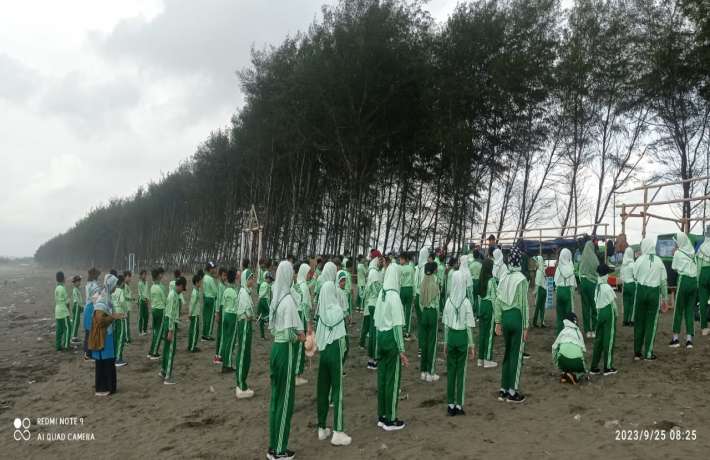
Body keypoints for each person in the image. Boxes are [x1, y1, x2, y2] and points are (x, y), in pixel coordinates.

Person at [267, 261, 307, 460]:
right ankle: (280, 449)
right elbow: (291, 332)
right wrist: (302, 337)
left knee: (275, 398)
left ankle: (273, 445)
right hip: (286, 351)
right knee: (285, 400)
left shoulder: (276, 298)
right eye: (292, 273)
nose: (293, 276)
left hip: (276, 348)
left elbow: (273, 328)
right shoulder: (289, 300)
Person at [315, 279, 352, 446]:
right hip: (335, 350)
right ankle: (338, 430)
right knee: (337, 390)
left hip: (323, 352)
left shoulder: (321, 312)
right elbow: (343, 337)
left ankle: (321, 428)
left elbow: (318, 336)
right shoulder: (337, 310)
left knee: (322, 389)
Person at [374, 263, 409, 431]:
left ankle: (381, 415)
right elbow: (397, 326)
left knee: (382, 378)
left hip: (380, 337)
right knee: (392, 380)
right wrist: (402, 350)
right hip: (391, 340)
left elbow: (376, 321)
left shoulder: (382, 293)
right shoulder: (394, 296)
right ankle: (391, 419)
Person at [494, 247, 529, 403]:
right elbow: (524, 304)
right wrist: (526, 325)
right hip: (516, 317)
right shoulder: (521, 279)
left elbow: (498, 301)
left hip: (505, 317)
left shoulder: (503, 277)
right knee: (516, 354)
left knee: (507, 353)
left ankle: (503, 388)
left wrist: (498, 321)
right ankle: (512, 391)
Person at [442, 270, 476, 416]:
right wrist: (472, 345)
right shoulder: (466, 302)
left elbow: (445, 326)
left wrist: (445, 343)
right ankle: (459, 405)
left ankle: (450, 404)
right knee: (461, 373)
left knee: (451, 372)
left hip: (451, 338)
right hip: (462, 338)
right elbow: (469, 326)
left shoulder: (448, 302)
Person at [632, 238, 668, 360]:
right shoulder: (659, 261)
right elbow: (663, 282)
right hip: (654, 292)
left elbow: (634, 276)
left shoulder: (639, 260)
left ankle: (637, 352)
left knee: (639, 322)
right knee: (651, 324)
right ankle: (648, 353)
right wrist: (665, 298)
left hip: (641, 291)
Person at [88, 274, 124, 396]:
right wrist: (113, 317)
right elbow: (100, 320)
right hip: (103, 336)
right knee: (106, 360)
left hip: (104, 334)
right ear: (110, 285)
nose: (116, 287)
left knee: (104, 360)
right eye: (114, 285)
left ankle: (104, 387)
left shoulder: (106, 296)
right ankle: (105, 388)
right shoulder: (102, 299)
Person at [670, 232, 698, 349]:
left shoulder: (677, 253)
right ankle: (689, 340)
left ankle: (675, 339)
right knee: (689, 311)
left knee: (678, 310)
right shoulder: (692, 253)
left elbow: (674, 268)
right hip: (693, 282)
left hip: (684, 281)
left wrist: (674, 254)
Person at [590, 263, 618, 375]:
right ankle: (608, 367)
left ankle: (594, 367)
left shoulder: (597, 287)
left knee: (598, 340)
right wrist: (616, 315)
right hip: (608, 312)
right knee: (609, 340)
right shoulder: (607, 287)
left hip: (599, 313)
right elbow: (613, 304)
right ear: (605, 274)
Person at [160, 275, 185, 385]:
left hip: (167, 323)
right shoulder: (173, 296)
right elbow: (170, 314)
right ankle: (168, 377)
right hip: (170, 324)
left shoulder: (172, 293)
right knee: (170, 351)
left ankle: (163, 370)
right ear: (180, 286)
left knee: (166, 349)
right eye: (182, 289)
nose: (182, 292)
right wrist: (171, 330)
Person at [235, 269, 256, 399]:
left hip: (247, 325)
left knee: (246, 354)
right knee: (243, 354)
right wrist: (250, 317)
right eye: (250, 278)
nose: (252, 280)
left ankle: (242, 382)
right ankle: (241, 385)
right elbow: (248, 314)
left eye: (253, 278)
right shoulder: (243, 293)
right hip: (244, 325)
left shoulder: (247, 292)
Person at [551, 312, 587, 384]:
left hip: (562, 360)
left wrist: (556, 363)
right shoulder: (578, 333)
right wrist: (585, 369)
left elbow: (554, 347)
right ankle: (575, 376)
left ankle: (564, 373)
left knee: (561, 353)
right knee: (582, 371)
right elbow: (583, 350)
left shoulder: (563, 332)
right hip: (577, 362)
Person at [418, 261, 440, 381]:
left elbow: (420, 301)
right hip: (432, 313)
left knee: (424, 344)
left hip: (424, 313)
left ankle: (423, 371)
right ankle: (430, 372)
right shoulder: (435, 281)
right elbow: (437, 302)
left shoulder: (423, 282)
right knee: (432, 343)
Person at [292, 264, 312, 386]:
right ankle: (297, 374)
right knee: (300, 346)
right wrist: (309, 323)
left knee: (296, 345)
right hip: (301, 317)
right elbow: (305, 306)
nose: (310, 275)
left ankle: (295, 372)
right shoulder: (303, 286)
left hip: (294, 316)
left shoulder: (296, 284)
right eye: (309, 272)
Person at [477, 259, 498, 368]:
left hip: (482, 307)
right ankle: (487, 359)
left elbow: (479, 297)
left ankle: (480, 359)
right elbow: (495, 298)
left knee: (482, 334)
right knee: (489, 334)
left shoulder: (481, 280)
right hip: (489, 306)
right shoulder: (492, 280)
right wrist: (498, 315)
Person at [363, 257, 383, 370]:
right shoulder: (375, 273)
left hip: (370, 304)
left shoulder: (371, 272)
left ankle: (370, 359)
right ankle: (375, 359)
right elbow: (377, 289)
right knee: (375, 332)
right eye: (379, 261)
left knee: (371, 331)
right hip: (375, 304)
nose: (381, 263)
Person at [219, 269, 239, 373]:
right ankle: (228, 365)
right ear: (235, 278)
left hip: (225, 315)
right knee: (231, 342)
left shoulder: (226, 290)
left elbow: (222, 304)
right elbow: (237, 306)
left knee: (226, 340)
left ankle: (224, 363)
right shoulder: (235, 292)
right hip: (232, 316)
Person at [578, 241, 599, 338]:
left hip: (583, 282)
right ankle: (594, 329)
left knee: (585, 308)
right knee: (594, 307)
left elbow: (579, 270)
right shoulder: (594, 258)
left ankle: (587, 331)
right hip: (592, 284)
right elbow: (597, 270)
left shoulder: (582, 257)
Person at [554, 249, 577, 335]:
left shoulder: (558, 267)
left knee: (560, 315)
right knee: (569, 315)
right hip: (567, 291)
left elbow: (555, 281)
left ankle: (559, 334)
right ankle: (568, 334)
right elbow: (573, 284)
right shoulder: (570, 267)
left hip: (559, 291)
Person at [147, 268, 166, 360]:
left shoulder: (152, 287)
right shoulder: (159, 288)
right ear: (159, 275)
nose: (162, 275)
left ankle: (151, 351)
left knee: (155, 331)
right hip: (160, 310)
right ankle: (154, 353)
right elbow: (165, 300)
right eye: (161, 274)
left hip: (154, 310)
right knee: (159, 332)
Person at [83, 268, 100, 360]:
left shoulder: (88, 284)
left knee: (88, 332)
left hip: (87, 308)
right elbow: (96, 299)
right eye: (98, 275)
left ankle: (87, 352)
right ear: (95, 275)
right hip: (91, 309)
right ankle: (88, 354)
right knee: (91, 332)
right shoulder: (94, 285)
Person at [111, 276, 128, 367]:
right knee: (121, 336)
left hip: (113, 314)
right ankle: (118, 359)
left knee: (114, 336)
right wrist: (125, 311)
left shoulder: (112, 291)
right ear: (121, 283)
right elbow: (122, 301)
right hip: (120, 315)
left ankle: (113, 356)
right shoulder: (120, 291)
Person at [54, 271, 71, 351]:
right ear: (63, 278)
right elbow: (67, 302)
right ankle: (66, 345)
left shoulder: (56, 288)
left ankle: (58, 346)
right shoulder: (63, 288)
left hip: (57, 311)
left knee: (59, 329)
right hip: (63, 311)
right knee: (68, 328)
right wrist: (69, 310)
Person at [620, 247, 636, 326]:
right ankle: (631, 320)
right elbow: (635, 275)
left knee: (625, 303)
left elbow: (621, 276)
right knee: (632, 303)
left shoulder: (623, 264)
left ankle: (625, 321)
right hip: (632, 284)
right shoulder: (633, 264)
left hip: (625, 285)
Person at [697, 236, 710, 336]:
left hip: (703, 273)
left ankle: (704, 328)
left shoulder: (701, 247)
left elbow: (698, 266)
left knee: (703, 302)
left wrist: (697, 280)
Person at [202, 262, 219, 341]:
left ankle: (204, 334)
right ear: (210, 269)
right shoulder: (211, 279)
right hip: (211, 299)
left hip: (205, 298)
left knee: (206, 317)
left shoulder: (204, 277)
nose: (215, 270)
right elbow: (215, 291)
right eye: (213, 268)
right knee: (211, 317)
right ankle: (208, 335)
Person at [214, 267, 227, 363]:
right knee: (221, 334)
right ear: (220, 276)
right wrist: (217, 312)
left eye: (226, 275)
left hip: (224, 309)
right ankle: (218, 356)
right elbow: (218, 300)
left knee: (222, 333)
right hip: (221, 309)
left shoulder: (224, 285)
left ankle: (219, 354)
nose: (225, 277)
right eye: (224, 275)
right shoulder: (220, 286)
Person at [187, 273, 203, 352]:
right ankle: (192, 347)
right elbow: (192, 304)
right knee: (194, 331)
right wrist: (190, 313)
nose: (201, 283)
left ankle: (191, 345)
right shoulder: (195, 292)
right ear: (196, 283)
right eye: (200, 282)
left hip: (195, 314)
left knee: (193, 330)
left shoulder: (196, 291)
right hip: (194, 314)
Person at [532, 256, 547, 328]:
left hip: (540, 290)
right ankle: (542, 322)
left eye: (536, 262)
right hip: (544, 290)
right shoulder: (543, 270)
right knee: (542, 307)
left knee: (537, 307)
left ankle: (534, 322)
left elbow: (537, 283)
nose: (535, 263)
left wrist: (534, 292)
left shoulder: (538, 271)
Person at [258, 271, 273, 340]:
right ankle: (271, 327)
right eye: (270, 279)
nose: (270, 280)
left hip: (261, 301)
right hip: (265, 300)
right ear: (267, 278)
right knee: (271, 314)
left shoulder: (262, 284)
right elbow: (264, 294)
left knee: (262, 317)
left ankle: (262, 335)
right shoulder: (267, 285)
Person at [70, 275, 83, 343]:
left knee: (77, 322)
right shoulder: (75, 289)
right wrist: (81, 306)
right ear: (75, 282)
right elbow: (77, 300)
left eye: (80, 281)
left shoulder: (77, 289)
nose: (79, 282)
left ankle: (75, 336)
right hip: (77, 306)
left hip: (78, 306)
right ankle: (73, 337)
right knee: (75, 322)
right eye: (78, 281)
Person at [137, 270, 150, 336]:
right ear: (141, 275)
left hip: (146, 301)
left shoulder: (147, 282)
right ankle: (140, 331)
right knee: (141, 316)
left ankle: (145, 330)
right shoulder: (139, 283)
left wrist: (148, 299)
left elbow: (147, 292)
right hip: (142, 301)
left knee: (146, 316)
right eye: (143, 274)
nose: (144, 276)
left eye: (145, 274)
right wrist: (144, 299)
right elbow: (140, 293)